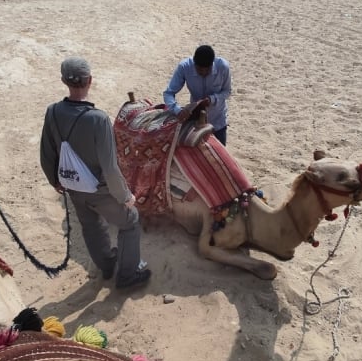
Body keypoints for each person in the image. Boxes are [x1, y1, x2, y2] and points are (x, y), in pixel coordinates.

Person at [40, 57, 151, 289]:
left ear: (63, 81)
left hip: (72, 185)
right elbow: (110, 167)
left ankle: (107, 265)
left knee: (90, 225)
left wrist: (55, 181)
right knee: (130, 222)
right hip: (100, 190)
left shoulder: (52, 112)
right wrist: (125, 197)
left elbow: (47, 153)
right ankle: (128, 276)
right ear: (90, 80)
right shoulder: (98, 119)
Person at [163, 45, 232, 146]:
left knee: (218, 157)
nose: (203, 73)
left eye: (207, 71)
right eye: (199, 70)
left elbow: (227, 91)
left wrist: (212, 99)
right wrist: (178, 111)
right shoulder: (184, 67)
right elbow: (168, 93)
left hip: (217, 121)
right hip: (195, 123)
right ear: (194, 63)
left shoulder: (223, 67)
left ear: (212, 64)